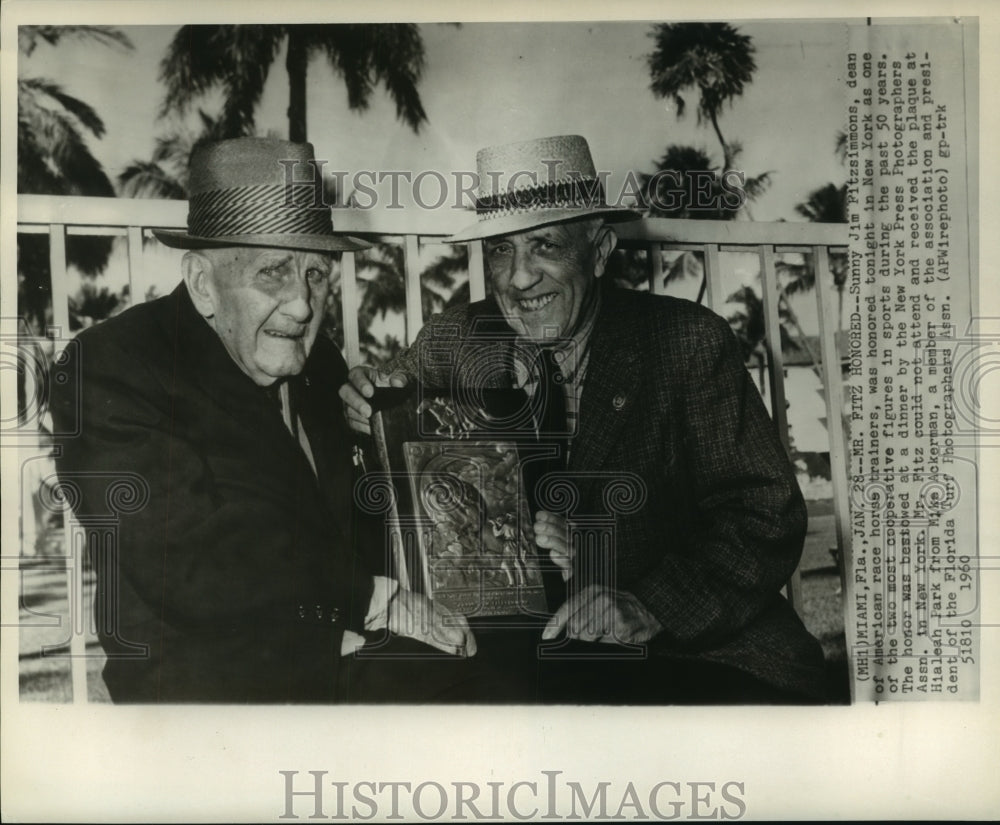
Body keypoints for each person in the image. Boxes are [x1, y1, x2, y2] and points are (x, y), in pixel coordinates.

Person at [341, 134, 827, 703]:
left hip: (688, 653)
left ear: (598, 251)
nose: (520, 278)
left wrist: (648, 604)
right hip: (520, 656)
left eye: (544, 245)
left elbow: (765, 515)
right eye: (500, 250)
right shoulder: (457, 337)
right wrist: (363, 402)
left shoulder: (686, 342)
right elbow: (389, 404)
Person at [49, 137, 476, 703]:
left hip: (346, 662)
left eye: (316, 274)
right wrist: (381, 600)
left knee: (506, 671)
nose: (302, 305)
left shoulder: (316, 363)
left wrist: (382, 436)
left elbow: (347, 522)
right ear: (202, 284)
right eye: (273, 271)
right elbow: (188, 558)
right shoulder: (111, 365)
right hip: (211, 694)